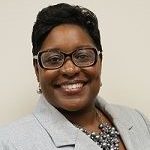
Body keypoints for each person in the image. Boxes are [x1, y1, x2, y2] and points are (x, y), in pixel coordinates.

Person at [0, 3, 150, 150]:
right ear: (37, 70)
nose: (70, 69)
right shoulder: (10, 143)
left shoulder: (138, 120)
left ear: (100, 62)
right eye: (54, 59)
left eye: (82, 56)